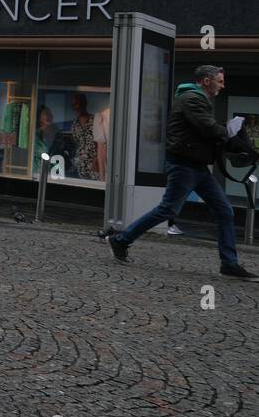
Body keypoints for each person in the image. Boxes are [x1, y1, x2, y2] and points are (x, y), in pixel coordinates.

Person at [104, 65, 258, 279]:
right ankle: (120, 240)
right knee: (168, 209)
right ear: (206, 81)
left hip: (197, 167)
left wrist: (225, 132)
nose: (223, 86)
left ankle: (229, 264)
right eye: (220, 81)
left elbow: (204, 130)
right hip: (184, 165)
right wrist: (229, 130)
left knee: (224, 211)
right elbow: (208, 128)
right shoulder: (192, 99)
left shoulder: (197, 99)